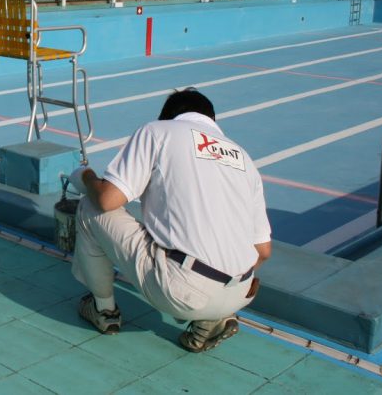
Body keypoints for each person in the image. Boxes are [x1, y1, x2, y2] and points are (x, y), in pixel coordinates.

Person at [68, 88, 271, 352]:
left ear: (167, 117)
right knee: (199, 260)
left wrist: (87, 177)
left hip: (184, 291)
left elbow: (108, 199)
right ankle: (211, 318)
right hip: (241, 293)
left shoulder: (158, 131)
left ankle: (103, 311)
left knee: (91, 207)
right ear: (211, 120)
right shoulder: (244, 158)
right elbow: (263, 251)